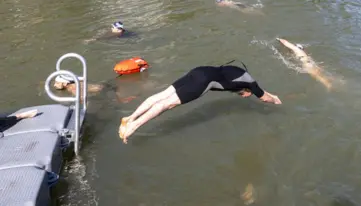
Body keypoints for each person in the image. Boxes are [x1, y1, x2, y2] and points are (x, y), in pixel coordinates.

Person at [118, 62, 282, 143]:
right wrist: (276, 101)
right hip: (205, 81)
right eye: (247, 95)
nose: (245, 96)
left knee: (161, 95)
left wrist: (270, 93)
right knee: (167, 104)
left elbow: (261, 91)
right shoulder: (251, 84)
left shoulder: (241, 74)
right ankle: (133, 127)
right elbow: (264, 97)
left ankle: (130, 118)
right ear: (248, 90)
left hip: (199, 71)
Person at [53, 74, 136, 103]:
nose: (54, 85)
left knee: (119, 96)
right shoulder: (74, 84)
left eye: (57, 83)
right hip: (102, 86)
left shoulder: (72, 88)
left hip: (103, 89)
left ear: (65, 83)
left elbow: (82, 99)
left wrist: (79, 101)